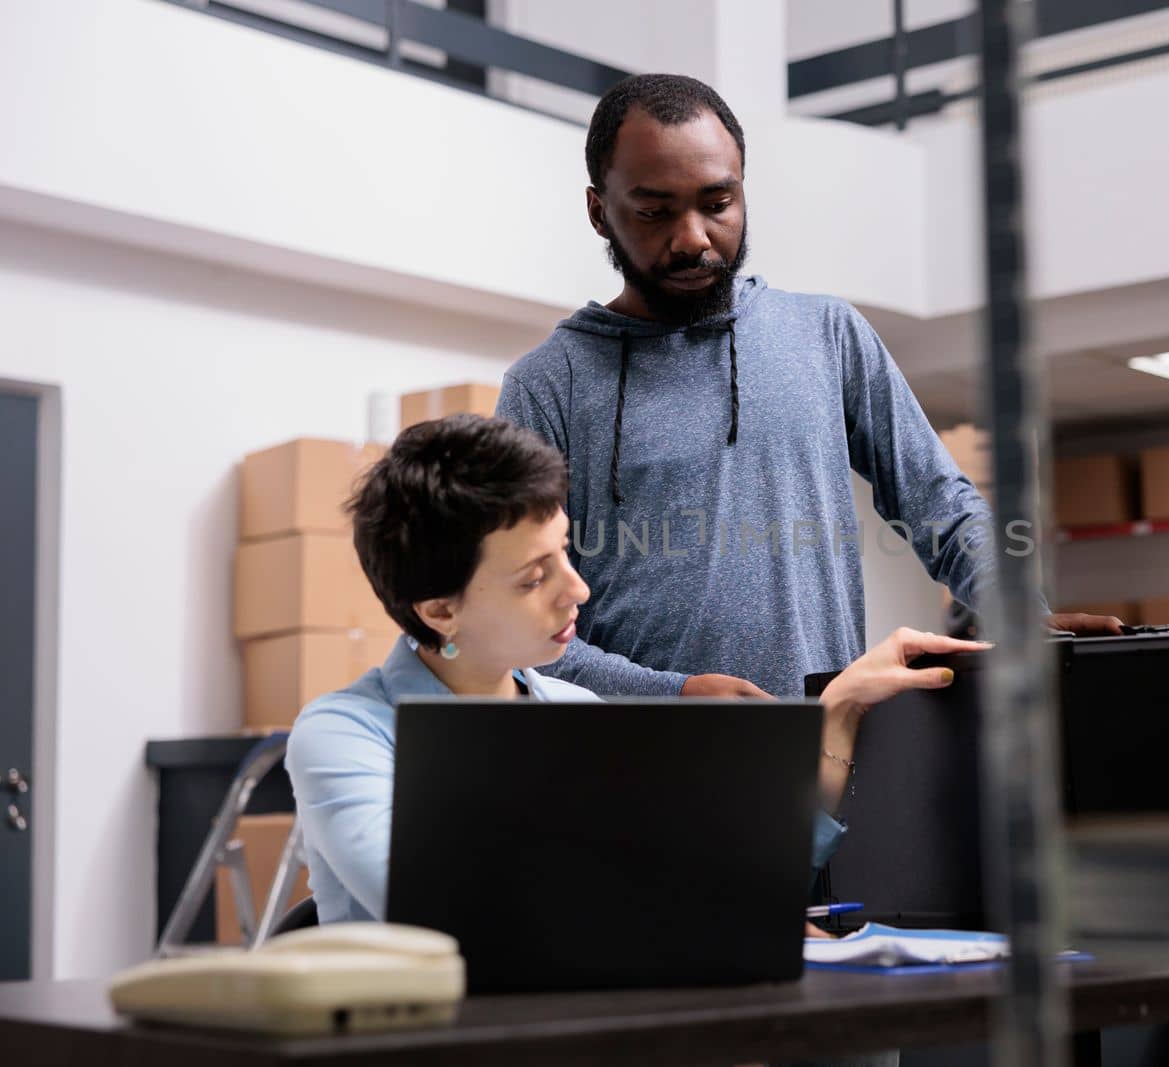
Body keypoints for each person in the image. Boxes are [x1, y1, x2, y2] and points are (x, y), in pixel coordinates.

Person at [496, 73, 1120, 702]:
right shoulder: (548, 386)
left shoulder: (825, 333)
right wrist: (672, 695)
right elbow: (522, 628)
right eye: (655, 211)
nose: (692, 238)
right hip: (645, 768)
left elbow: (940, 501)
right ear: (600, 211)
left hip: (831, 752)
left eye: (717, 204)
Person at [284, 414, 987, 925]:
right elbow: (445, 909)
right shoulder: (344, 734)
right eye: (535, 577)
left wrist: (840, 709)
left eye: (566, 552)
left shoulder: (574, 709)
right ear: (439, 610)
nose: (577, 590)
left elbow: (724, 882)